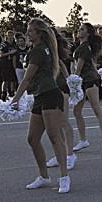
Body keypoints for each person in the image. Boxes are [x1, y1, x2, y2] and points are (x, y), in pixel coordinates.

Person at [11, 18, 70, 193]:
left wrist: (15, 99)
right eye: (28, 31)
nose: (28, 34)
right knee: (32, 138)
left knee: (54, 137)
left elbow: (27, 78)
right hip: (40, 96)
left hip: (50, 96)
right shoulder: (38, 49)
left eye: (31, 31)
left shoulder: (38, 51)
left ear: (39, 34)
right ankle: (44, 176)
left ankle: (64, 177)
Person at [72, 23, 102, 155]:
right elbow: (91, 64)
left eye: (82, 29)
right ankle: (83, 140)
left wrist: (73, 84)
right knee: (77, 111)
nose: (79, 31)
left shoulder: (84, 48)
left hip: (89, 80)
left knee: (96, 109)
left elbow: (78, 69)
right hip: (83, 81)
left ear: (88, 33)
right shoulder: (83, 47)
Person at [46, 28, 78, 171]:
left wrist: (70, 84)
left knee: (64, 122)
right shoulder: (43, 49)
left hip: (61, 88)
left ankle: (70, 155)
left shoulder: (54, 51)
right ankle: (61, 154)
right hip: (50, 90)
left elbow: (63, 68)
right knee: (55, 125)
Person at [0, 30, 18, 99]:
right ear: (7, 36)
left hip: (12, 63)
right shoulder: (4, 44)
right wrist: (10, 53)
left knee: (12, 79)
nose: (10, 37)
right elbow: (1, 55)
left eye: (12, 35)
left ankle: (11, 93)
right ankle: (3, 94)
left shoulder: (15, 44)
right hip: (5, 63)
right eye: (9, 35)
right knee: (5, 80)